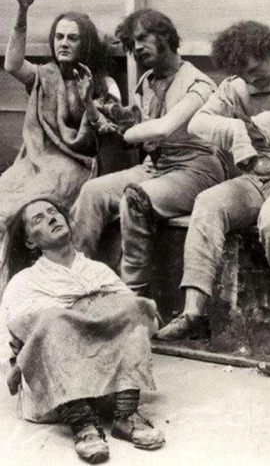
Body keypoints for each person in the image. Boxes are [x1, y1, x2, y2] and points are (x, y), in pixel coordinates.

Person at [155, 20, 270, 341]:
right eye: (241, 73)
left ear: (268, 52)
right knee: (207, 203)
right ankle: (193, 311)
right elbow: (197, 124)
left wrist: (259, 124)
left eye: (254, 69)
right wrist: (233, 129)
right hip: (254, 178)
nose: (250, 79)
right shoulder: (234, 87)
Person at [71, 9, 227, 296]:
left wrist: (130, 132)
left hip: (196, 170)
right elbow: (137, 135)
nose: (137, 48)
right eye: (132, 44)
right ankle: (75, 281)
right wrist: (93, 107)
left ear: (166, 36)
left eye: (143, 38)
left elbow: (162, 129)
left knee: (135, 199)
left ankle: (134, 296)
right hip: (155, 168)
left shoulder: (199, 84)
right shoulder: (146, 82)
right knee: (92, 192)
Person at [0, 198, 165, 463]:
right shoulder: (24, 283)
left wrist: (102, 310)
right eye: (39, 218)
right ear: (30, 242)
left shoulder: (98, 271)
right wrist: (89, 310)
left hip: (110, 389)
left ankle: (126, 415)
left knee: (130, 306)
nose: (52, 218)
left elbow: (147, 323)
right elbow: (20, 345)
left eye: (53, 212)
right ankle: (84, 426)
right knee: (51, 319)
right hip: (55, 395)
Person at [0, 0, 123, 294]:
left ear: (86, 44)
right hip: (35, 161)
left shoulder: (103, 84)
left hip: (75, 164)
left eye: (72, 38)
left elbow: (110, 136)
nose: (63, 43)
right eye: (59, 36)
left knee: (19, 211)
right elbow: (12, 64)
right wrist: (22, 13)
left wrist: (88, 101)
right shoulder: (45, 75)